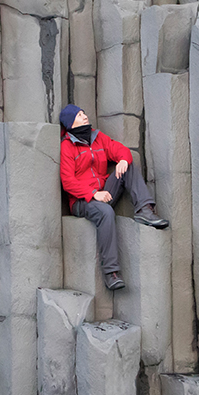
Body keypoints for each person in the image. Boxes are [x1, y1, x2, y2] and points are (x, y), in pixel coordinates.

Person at [59, 104, 168, 291]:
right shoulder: (67, 146)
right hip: (81, 201)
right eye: (79, 115)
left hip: (104, 192)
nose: (84, 116)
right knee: (105, 212)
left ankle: (144, 210)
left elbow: (119, 149)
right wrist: (93, 194)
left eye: (84, 112)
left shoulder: (97, 136)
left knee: (128, 167)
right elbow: (68, 182)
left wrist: (123, 160)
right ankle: (111, 273)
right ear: (71, 122)